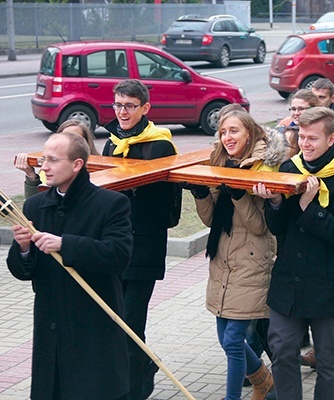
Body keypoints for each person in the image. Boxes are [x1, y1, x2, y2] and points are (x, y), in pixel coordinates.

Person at [7, 132, 133, 400]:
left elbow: (118, 254)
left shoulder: (111, 204)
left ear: (77, 164)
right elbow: (21, 270)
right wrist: (24, 248)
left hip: (93, 328)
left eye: (53, 160)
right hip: (51, 329)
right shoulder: (35, 206)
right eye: (43, 159)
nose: (44, 167)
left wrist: (65, 244)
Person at [254, 107, 334, 400]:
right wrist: (276, 202)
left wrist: (310, 207)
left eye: (312, 138)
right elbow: (279, 228)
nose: (304, 144)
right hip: (289, 281)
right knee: (281, 348)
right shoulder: (290, 169)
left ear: (332, 139)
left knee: (328, 358)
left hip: (329, 283)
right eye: (302, 137)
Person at [189, 108, 287, 400]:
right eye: (223, 132)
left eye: (234, 131)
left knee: (233, 339)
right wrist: (201, 194)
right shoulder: (220, 162)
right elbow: (211, 221)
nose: (227, 137)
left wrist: (240, 194)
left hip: (252, 260)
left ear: (249, 133)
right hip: (223, 259)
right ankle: (264, 381)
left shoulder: (262, 168)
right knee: (225, 339)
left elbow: (259, 227)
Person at [102, 79, 182, 400]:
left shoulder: (159, 145)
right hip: (114, 248)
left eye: (129, 106)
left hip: (143, 248)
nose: (122, 112)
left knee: (131, 323)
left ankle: (135, 390)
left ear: (145, 108)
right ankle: (143, 365)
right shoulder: (111, 143)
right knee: (114, 322)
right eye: (118, 105)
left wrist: (135, 188)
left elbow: (167, 208)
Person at [14, 119, 99, 199]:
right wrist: (31, 176)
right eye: (65, 138)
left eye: (75, 138)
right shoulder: (47, 168)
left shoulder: (99, 168)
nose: (45, 167)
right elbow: (38, 205)